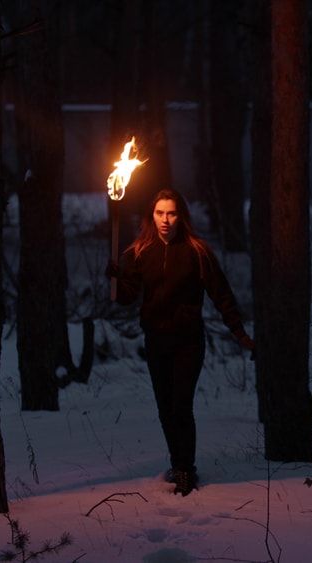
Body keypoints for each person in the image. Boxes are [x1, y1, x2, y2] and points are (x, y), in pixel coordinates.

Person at [106, 188, 255, 496]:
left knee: (180, 406)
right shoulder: (138, 253)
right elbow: (127, 298)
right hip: (155, 340)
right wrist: (117, 279)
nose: (165, 219)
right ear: (152, 216)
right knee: (164, 409)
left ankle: (186, 470)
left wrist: (239, 333)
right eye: (160, 213)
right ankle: (177, 463)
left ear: (181, 217)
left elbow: (222, 295)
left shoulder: (197, 252)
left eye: (171, 213)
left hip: (188, 341)